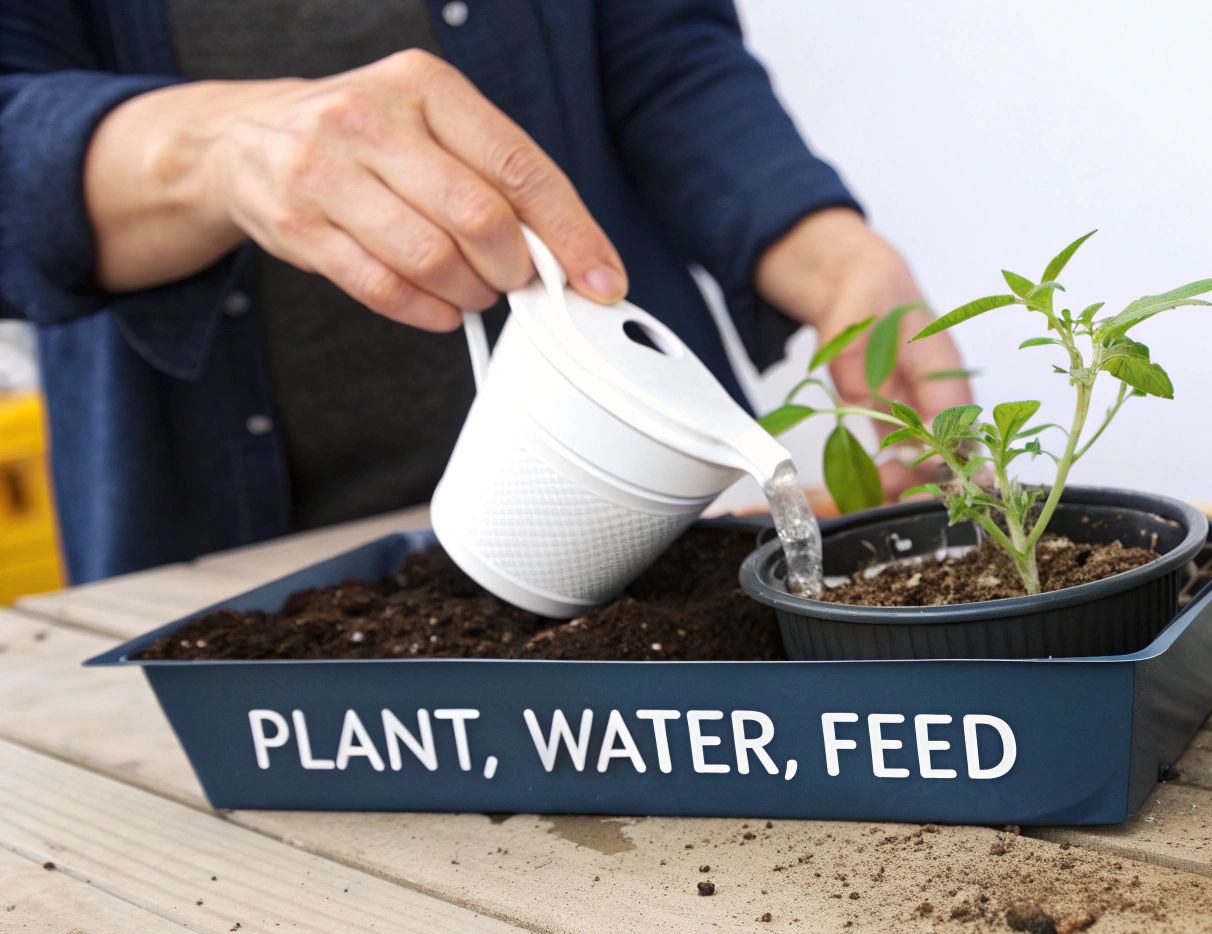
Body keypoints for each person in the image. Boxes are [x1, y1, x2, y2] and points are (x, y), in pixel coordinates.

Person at [0, 1, 969, 583]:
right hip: (228, 550)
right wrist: (212, 149)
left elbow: (666, 58)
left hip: (646, 511)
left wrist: (833, 254)